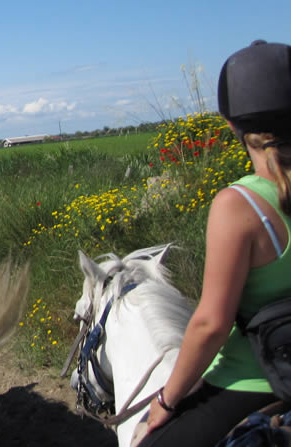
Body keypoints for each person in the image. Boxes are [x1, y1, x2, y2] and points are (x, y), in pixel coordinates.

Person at [140, 40, 291, 446]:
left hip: (256, 382)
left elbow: (211, 325)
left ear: (230, 123)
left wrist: (166, 401)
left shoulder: (240, 205)